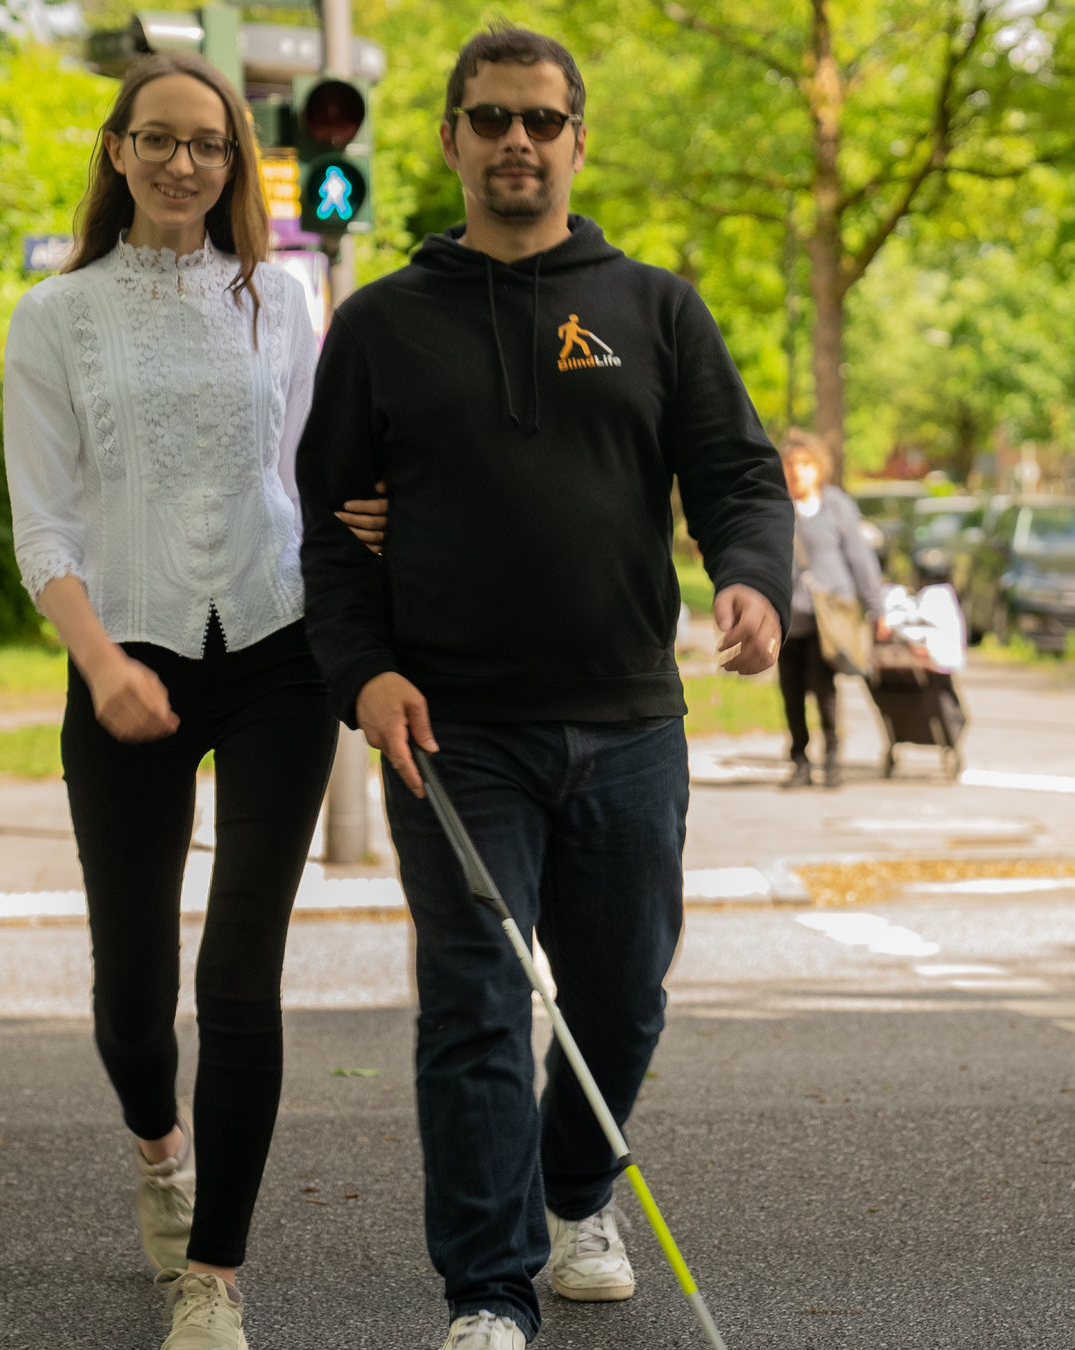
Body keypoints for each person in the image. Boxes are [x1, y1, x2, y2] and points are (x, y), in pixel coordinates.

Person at [294, 25, 792, 1350]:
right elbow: (331, 534)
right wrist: (364, 673)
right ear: (450, 139)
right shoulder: (380, 324)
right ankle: (488, 1290)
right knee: (473, 1005)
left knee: (621, 998)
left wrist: (753, 578)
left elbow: (738, 475)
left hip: (629, 719)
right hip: (453, 730)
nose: (517, 140)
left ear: (578, 140)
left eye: (541, 120)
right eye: (491, 118)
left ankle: (577, 1193)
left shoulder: (657, 309)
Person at [1, 50, 377, 1350]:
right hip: (127, 655)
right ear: (118, 151)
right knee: (132, 992)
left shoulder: (284, 300)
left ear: (236, 164)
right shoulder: (55, 316)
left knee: (239, 972)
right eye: (157, 139)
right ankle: (160, 1145)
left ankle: (213, 1273)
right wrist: (101, 663)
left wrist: (365, 524)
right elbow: (44, 524)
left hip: (279, 652)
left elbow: (311, 479)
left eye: (208, 144)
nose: (182, 163)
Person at [777, 430, 886, 788]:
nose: (797, 471)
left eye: (805, 464)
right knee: (791, 693)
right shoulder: (777, 508)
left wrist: (877, 607)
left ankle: (832, 757)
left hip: (828, 616)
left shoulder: (835, 504)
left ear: (818, 467)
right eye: (791, 465)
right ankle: (800, 761)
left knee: (823, 689)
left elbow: (859, 557)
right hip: (788, 617)